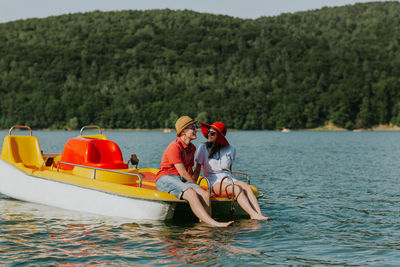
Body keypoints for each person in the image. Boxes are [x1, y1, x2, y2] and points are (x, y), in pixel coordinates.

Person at [156, 116, 234, 227]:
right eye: (193, 127)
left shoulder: (192, 148)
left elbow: (189, 171)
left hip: (181, 180)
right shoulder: (174, 146)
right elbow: (183, 172)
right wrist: (196, 187)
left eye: (195, 127)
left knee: (205, 194)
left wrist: (199, 188)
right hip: (166, 178)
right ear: (183, 131)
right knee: (191, 193)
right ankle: (213, 223)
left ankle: (205, 225)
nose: (196, 129)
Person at [193, 121, 270, 220]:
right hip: (213, 180)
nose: (208, 134)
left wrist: (231, 179)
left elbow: (229, 169)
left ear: (219, 136)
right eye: (208, 132)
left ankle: (259, 214)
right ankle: (252, 214)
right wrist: (193, 185)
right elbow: (197, 168)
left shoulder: (231, 148)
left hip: (228, 178)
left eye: (212, 133)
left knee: (247, 187)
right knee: (237, 188)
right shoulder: (203, 148)